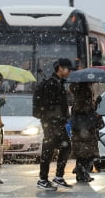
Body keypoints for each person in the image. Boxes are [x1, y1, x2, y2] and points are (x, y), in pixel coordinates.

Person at [37, 58, 73, 191]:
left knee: (65, 146)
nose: (69, 72)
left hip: (57, 122)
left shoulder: (58, 83)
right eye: (68, 69)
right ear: (60, 68)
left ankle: (58, 177)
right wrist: (57, 117)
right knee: (48, 150)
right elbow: (50, 105)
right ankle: (43, 179)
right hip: (51, 122)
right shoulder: (51, 84)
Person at [69, 82, 105, 182]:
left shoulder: (79, 95)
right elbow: (85, 110)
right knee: (87, 154)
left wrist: (94, 104)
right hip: (85, 130)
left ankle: (81, 173)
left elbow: (83, 110)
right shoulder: (84, 92)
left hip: (81, 129)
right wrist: (93, 107)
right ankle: (83, 174)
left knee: (83, 154)